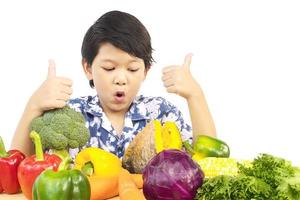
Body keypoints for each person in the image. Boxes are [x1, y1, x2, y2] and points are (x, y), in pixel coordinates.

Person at [11, 10, 216, 158]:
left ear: (145, 71)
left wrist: (195, 95)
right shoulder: (70, 114)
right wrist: (34, 106)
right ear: (88, 68)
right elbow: (19, 168)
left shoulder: (161, 113)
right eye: (109, 68)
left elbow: (206, 161)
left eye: (132, 69)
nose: (121, 78)